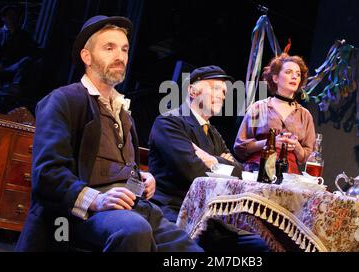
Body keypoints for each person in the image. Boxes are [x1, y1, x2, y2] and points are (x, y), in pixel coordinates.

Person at [16, 15, 202, 252]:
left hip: (134, 207)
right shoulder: (64, 100)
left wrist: (141, 178)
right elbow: (47, 174)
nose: (120, 56)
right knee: (133, 230)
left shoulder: (123, 112)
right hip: (79, 213)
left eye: (124, 49)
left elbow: (117, 165)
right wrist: (96, 199)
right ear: (87, 57)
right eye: (109, 48)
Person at [148, 65, 269, 251]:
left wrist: (211, 159)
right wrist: (222, 160)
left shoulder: (213, 132)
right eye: (215, 88)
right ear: (192, 91)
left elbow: (239, 172)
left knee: (264, 246)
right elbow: (192, 171)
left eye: (224, 91)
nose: (222, 95)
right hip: (175, 211)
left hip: (211, 218)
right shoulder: (169, 122)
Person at [234, 52, 316, 174]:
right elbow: (240, 147)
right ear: (275, 78)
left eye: (298, 74)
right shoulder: (259, 108)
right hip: (258, 169)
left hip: (289, 175)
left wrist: (296, 146)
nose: (294, 77)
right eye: (288, 72)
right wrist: (270, 142)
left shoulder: (305, 115)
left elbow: (307, 156)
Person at [0, 5, 39, 110]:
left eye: (14, 15)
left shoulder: (23, 35)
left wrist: (24, 60)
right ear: (3, 18)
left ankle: (14, 87)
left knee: (26, 62)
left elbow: (34, 50)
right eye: (9, 15)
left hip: (14, 67)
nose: (12, 18)